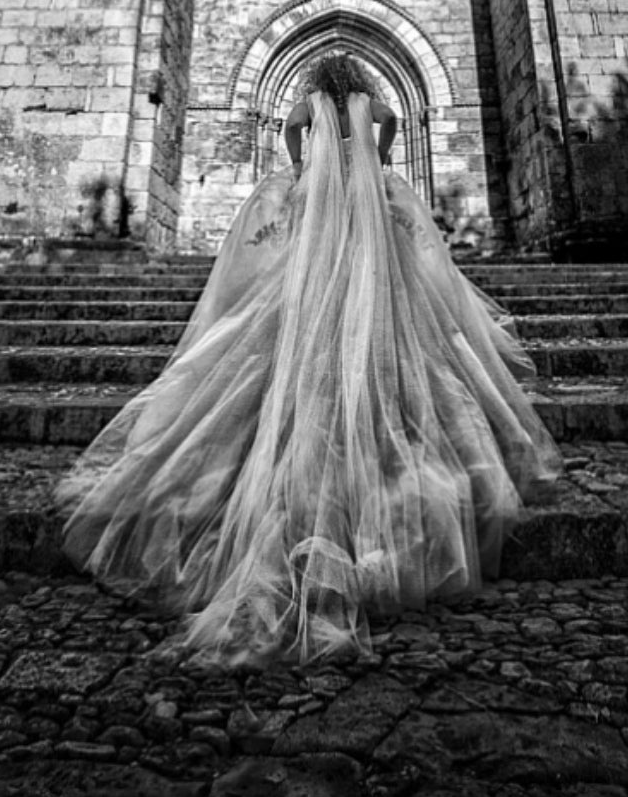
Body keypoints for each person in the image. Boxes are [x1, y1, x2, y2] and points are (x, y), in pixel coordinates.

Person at [54, 50, 562, 666]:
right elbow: (394, 126)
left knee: (296, 319)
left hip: (322, 234)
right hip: (370, 233)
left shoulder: (307, 107)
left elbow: (292, 139)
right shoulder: (372, 105)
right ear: (362, 82)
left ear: (317, 81)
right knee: (393, 325)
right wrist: (377, 160)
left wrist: (302, 168)